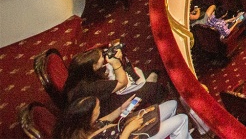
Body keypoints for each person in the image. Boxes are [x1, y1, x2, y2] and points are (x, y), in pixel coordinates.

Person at [65, 47, 163, 118]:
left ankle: (152, 77)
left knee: (146, 74)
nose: (104, 58)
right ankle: (159, 106)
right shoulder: (95, 86)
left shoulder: (76, 76)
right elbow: (122, 82)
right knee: (151, 88)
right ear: (94, 66)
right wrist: (116, 62)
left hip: (97, 104)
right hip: (108, 110)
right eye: (101, 57)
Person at [54, 95, 190, 139]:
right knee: (182, 119)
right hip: (130, 135)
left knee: (172, 104)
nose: (100, 109)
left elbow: (106, 120)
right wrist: (128, 129)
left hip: (127, 128)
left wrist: (122, 108)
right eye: (98, 108)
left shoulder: (87, 125)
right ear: (87, 116)